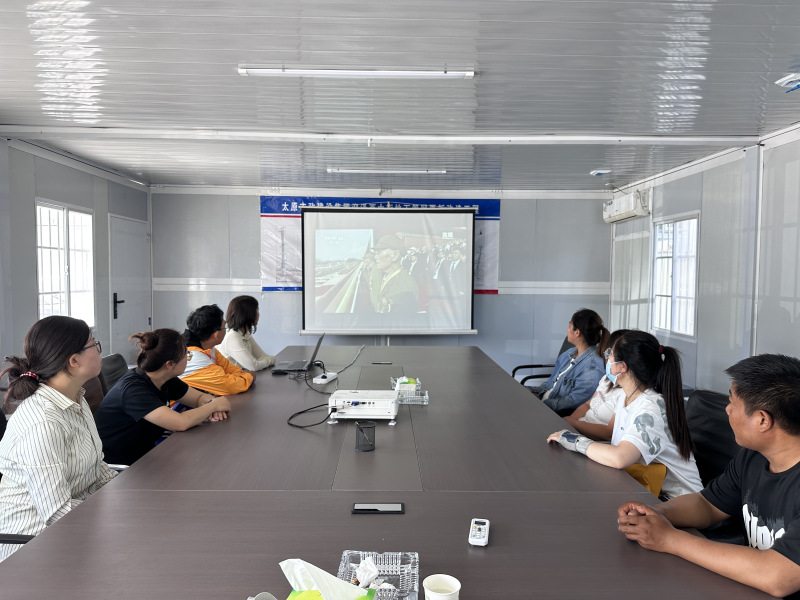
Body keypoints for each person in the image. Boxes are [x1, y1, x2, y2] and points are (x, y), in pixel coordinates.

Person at [616, 354, 800, 598]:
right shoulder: (753, 457)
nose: (727, 409)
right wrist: (656, 514)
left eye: (732, 403)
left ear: (762, 420)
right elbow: (708, 504)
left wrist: (670, 539)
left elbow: (778, 576)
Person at [0, 316, 117, 562]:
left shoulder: (76, 399)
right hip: (32, 548)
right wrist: (118, 519)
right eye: (94, 344)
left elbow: (97, 470)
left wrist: (130, 498)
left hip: (77, 529)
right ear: (73, 361)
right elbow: (57, 513)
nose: (99, 350)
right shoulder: (43, 422)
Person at [548, 330, 702, 499]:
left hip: (678, 500)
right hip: (648, 487)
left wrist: (574, 441)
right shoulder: (626, 396)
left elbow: (620, 457)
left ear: (622, 366)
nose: (607, 358)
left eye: (610, 354)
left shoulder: (650, 410)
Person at [95, 329, 231, 465]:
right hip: (121, 466)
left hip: (146, 453)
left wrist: (212, 403)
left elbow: (198, 398)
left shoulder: (164, 378)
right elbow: (181, 422)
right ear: (170, 364)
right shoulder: (134, 390)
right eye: (187, 355)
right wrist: (214, 405)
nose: (188, 359)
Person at [529, 309, 608, 413]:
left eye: (569, 326)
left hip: (554, 412)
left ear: (577, 332)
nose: (567, 329)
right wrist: (534, 394)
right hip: (544, 402)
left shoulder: (592, 367)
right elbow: (549, 384)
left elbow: (574, 402)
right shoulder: (568, 354)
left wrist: (542, 404)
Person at [562, 328, 631, 440]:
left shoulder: (626, 393)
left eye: (610, 354)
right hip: (578, 431)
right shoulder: (607, 379)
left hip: (590, 441)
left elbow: (609, 434)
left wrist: (573, 424)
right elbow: (587, 405)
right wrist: (569, 422)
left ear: (623, 363)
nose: (606, 358)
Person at [181, 304, 255, 395]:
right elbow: (229, 386)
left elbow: (229, 368)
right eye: (224, 326)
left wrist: (242, 374)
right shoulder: (194, 357)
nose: (226, 330)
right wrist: (250, 376)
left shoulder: (208, 348)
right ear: (216, 334)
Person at [217, 296, 275, 371]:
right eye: (257, 310)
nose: (258, 314)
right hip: (231, 378)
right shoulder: (232, 336)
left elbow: (263, 356)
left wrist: (266, 361)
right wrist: (271, 360)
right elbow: (254, 366)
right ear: (247, 313)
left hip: (241, 376)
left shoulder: (245, 334)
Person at [371, 235, 419, 314]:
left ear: (395, 255)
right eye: (375, 253)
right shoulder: (387, 275)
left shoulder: (405, 287)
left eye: (379, 252)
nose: (375, 257)